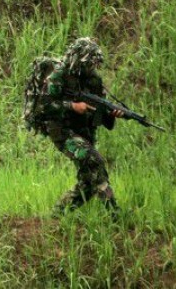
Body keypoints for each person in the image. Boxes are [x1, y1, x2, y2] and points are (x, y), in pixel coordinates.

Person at [37, 38, 123, 215]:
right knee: (95, 162)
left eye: (94, 64)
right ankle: (114, 212)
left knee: (89, 183)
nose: (92, 68)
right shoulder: (58, 76)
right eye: (89, 63)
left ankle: (58, 214)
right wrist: (72, 106)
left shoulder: (94, 81)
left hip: (85, 133)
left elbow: (102, 116)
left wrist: (111, 114)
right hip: (63, 132)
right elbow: (44, 107)